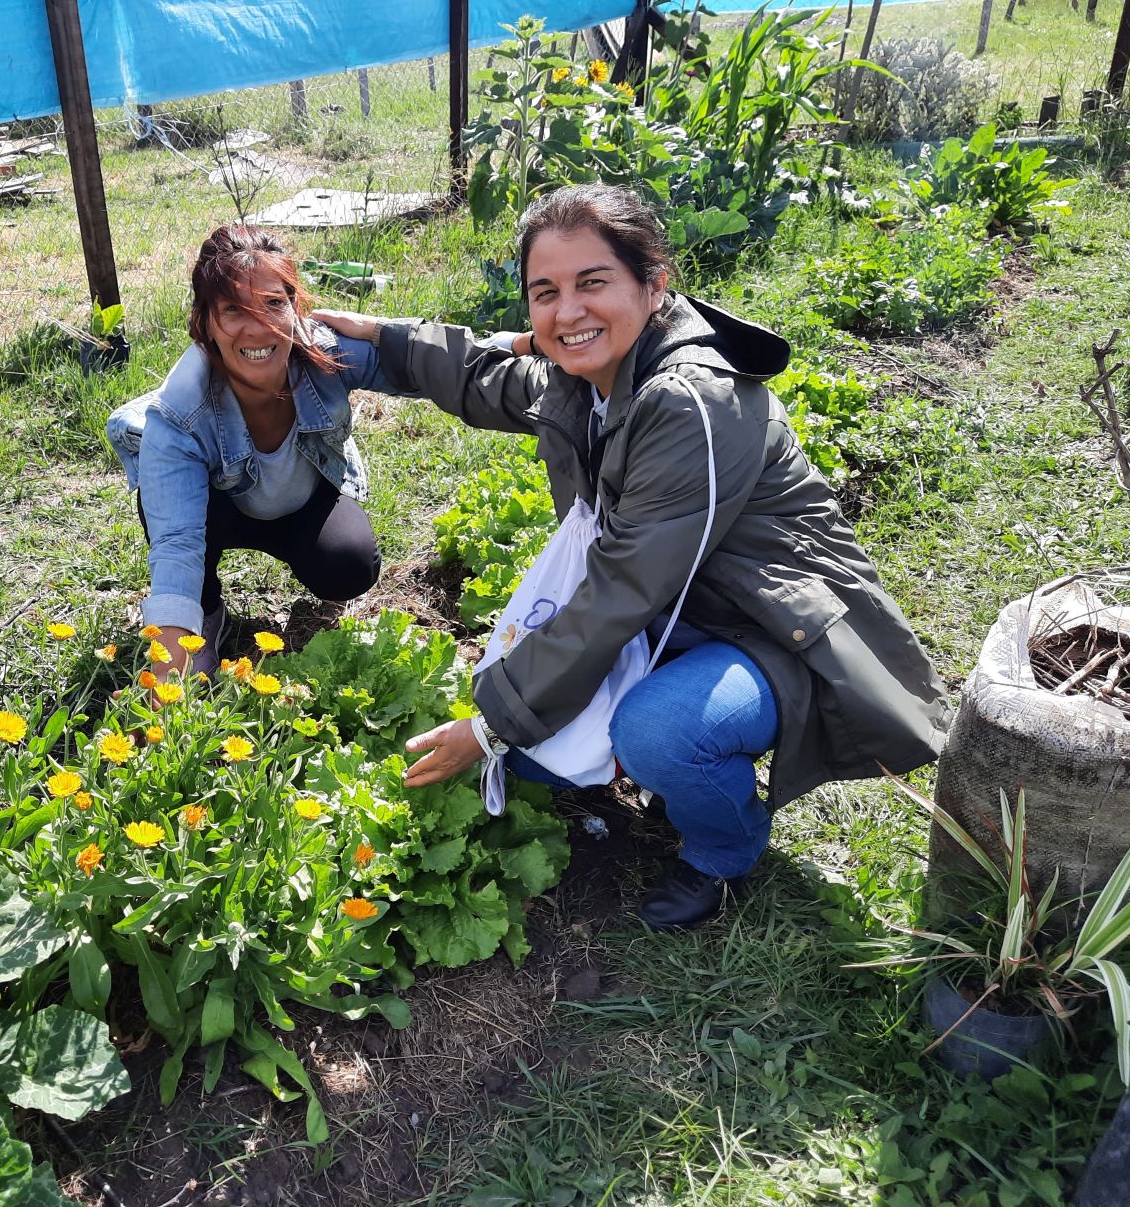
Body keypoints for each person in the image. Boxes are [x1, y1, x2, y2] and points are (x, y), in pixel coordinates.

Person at [313, 184, 949, 930]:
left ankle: (725, 849)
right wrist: (385, 338)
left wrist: (486, 726)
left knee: (654, 732)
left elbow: (617, 593)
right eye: (544, 292)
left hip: (774, 632)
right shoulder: (592, 376)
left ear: (654, 283)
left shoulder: (690, 403)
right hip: (682, 613)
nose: (567, 311)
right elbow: (488, 377)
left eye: (593, 282)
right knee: (535, 757)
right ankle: (665, 746)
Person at [106, 225, 388, 679]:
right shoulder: (178, 413)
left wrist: (522, 345)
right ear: (205, 323)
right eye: (234, 310)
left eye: (273, 304)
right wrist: (166, 673)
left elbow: (419, 364)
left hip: (303, 503)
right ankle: (208, 611)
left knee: (350, 567)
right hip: (222, 509)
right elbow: (177, 546)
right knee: (167, 513)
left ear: (295, 307)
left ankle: (317, 559)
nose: (257, 328)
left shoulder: (328, 355)